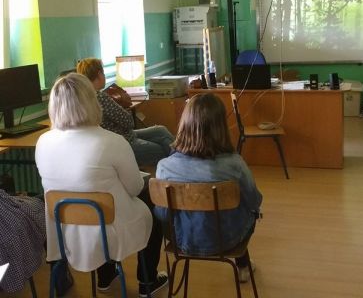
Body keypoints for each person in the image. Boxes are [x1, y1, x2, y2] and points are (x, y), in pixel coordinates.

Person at [35, 73, 168, 296]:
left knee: (96, 204)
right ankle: (147, 281)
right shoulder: (111, 141)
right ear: (92, 101)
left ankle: (106, 277)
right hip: (111, 229)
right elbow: (134, 188)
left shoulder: (43, 142)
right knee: (151, 208)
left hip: (66, 231)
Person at [155, 93, 263, 282]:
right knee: (251, 210)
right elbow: (254, 201)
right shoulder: (235, 165)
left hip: (183, 241)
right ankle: (243, 265)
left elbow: (163, 215)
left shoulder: (164, 167)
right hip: (229, 240)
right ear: (221, 126)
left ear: (184, 123)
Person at [76, 58, 174, 167]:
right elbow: (129, 122)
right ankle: (182, 163)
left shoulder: (81, 97)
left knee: (160, 130)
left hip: (122, 137)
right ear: (99, 74)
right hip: (123, 143)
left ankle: (181, 160)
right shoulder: (100, 97)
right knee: (162, 149)